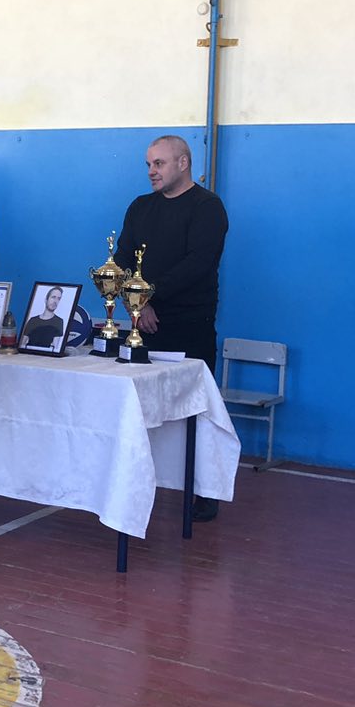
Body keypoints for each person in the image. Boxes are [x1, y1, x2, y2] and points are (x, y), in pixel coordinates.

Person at [114, 133, 229, 521]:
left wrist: (148, 296)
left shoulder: (208, 208)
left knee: (198, 412)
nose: (151, 171)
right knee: (140, 410)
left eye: (159, 163)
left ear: (183, 163)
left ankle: (205, 491)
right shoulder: (140, 207)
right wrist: (137, 303)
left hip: (190, 324)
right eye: (148, 164)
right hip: (143, 324)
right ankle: (141, 482)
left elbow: (197, 265)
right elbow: (122, 260)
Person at [19, 286, 66, 353]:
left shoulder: (59, 321)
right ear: (46, 300)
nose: (55, 301)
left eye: (58, 298)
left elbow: (55, 347)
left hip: (46, 355)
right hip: (28, 354)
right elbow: (22, 344)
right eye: (53, 297)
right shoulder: (33, 320)